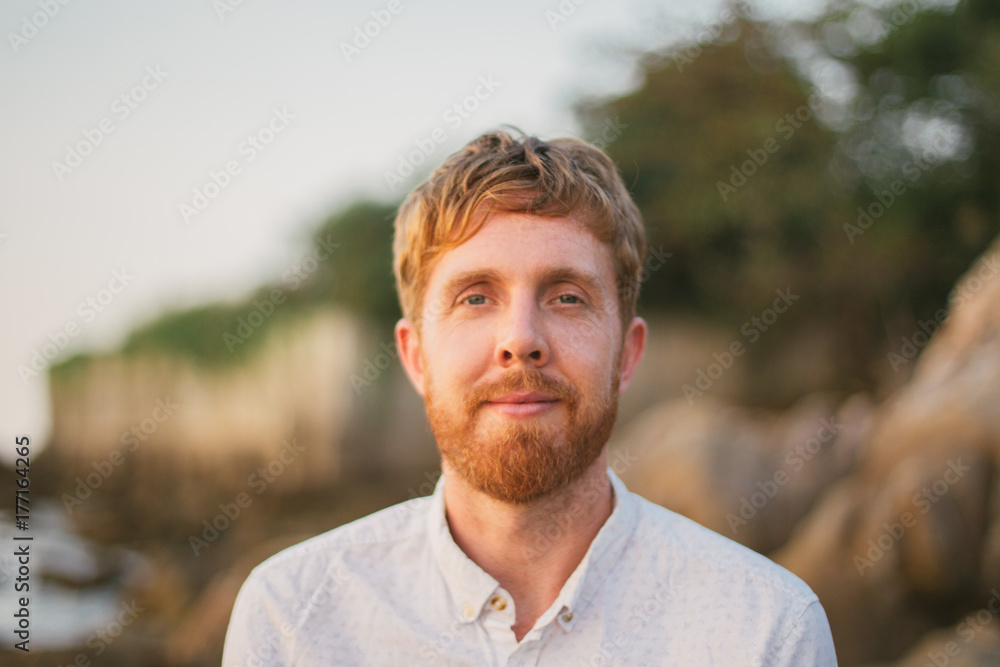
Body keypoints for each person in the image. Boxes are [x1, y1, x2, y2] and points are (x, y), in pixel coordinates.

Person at [222, 127, 838, 665]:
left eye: (567, 296)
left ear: (627, 354)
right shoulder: (290, 618)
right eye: (476, 297)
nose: (521, 340)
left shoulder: (767, 631)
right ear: (416, 356)